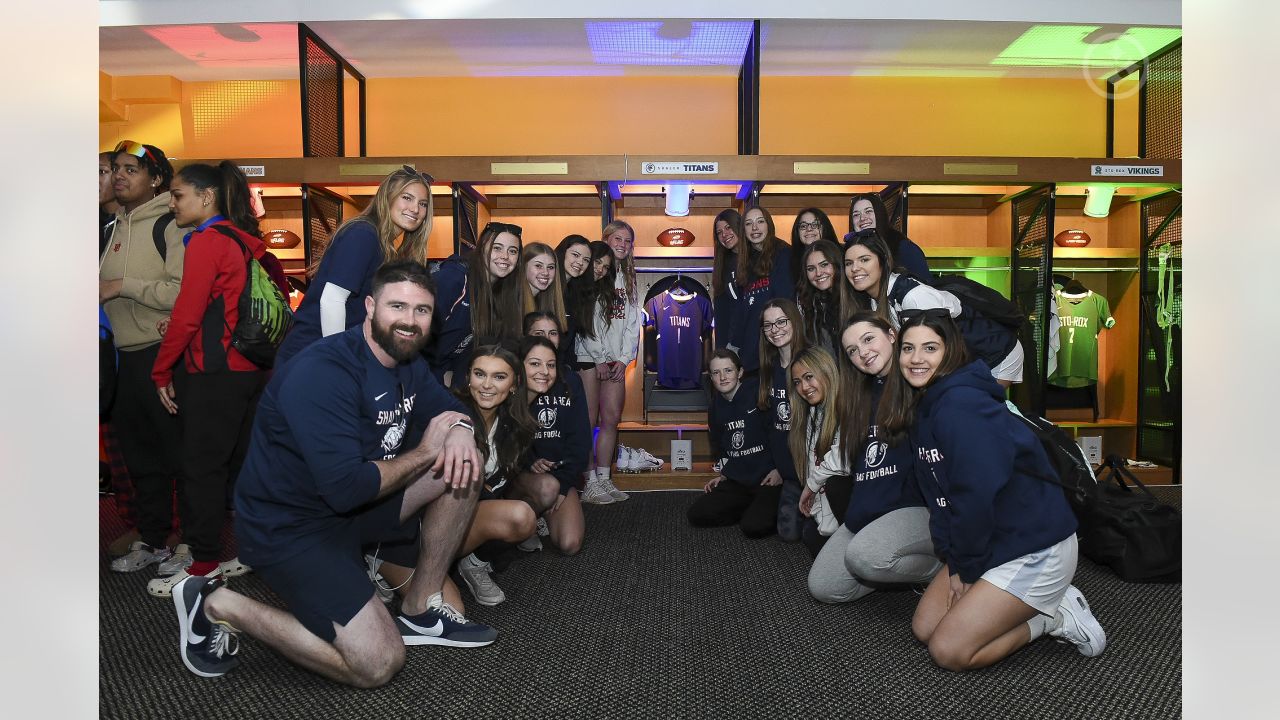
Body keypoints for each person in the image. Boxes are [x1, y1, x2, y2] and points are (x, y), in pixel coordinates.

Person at [172, 261, 496, 687]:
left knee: (465, 462)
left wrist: (458, 430)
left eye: (422, 311)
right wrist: (426, 451)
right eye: (397, 306)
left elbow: (452, 409)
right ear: (369, 306)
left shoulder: (408, 362)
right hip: (292, 528)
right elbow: (347, 489)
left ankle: (419, 609)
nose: (410, 321)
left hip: (354, 509)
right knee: (378, 662)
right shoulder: (324, 373)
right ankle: (218, 602)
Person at [881, 310, 1106, 671]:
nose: (916, 358)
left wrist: (967, 571)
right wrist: (953, 563)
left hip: (1034, 545)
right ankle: (1021, 603)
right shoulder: (925, 406)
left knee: (950, 651)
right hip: (991, 539)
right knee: (924, 628)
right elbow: (939, 500)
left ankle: (1054, 617)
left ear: (951, 351)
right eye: (908, 348)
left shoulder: (962, 405)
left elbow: (974, 497)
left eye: (930, 348)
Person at [147, 161, 267, 597]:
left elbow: (187, 314)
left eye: (178, 194)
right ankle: (251, 550)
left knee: (200, 470)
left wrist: (162, 370)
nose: (172, 203)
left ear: (206, 197)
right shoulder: (242, 239)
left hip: (212, 374)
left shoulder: (207, 242)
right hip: (248, 371)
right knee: (239, 466)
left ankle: (202, 566)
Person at [803, 315, 940, 602]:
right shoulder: (859, 395)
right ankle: (892, 565)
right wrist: (814, 484)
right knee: (825, 587)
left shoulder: (916, 381)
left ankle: (939, 569)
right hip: (871, 506)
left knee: (865, 556)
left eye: (868, 339)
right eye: (852, 350)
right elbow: (850, 457)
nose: (862, 352)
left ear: (892, 335)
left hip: (916, 507)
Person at [100, 140, 187, 574]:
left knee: (179, 455)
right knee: (139, 459)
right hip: (121, 358)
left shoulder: (169, 224)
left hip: (161, 355)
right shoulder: (112, 226)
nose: (119, 175)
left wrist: (122, 286)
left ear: (155, 178)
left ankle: (193, 544)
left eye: (131, 169)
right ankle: (153, 539)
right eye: (116, 168)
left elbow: (181, 291)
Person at [275, 165, 434, 367]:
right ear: (387, 197)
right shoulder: (363, 234)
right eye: (407, 198)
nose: (415, 209)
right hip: (312, 356)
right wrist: (341, 362)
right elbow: (332, 300)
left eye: (423, 203)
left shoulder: (384, 246)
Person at [447, 344, 556, 607]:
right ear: (468, 378)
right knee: (451, 609)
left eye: (499, 377)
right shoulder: (451, 414)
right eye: (479, 374)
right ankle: (404, 564)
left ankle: (474, 563)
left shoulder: (516, 425)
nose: (487, 385)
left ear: (514, 385)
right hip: (437, 520)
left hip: (474, 513)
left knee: (522, 516)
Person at [844, 233, 1023, 387]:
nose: (855, 268)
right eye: (848, 263)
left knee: (976, 411)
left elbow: (940, 350)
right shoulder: (875, 300)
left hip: (996, 353)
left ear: (883, 261)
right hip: (963, 360)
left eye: (864, 260)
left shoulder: (913, 296)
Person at [576, 223, 640, 504]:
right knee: (588, 420)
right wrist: (600, 357)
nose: (623, 244)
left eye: (628, 240)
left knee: (611, 418)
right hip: (589, 358)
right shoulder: (593, 272)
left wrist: (624, 359)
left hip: (615, 360)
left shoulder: (628, 278)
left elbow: (632, 323)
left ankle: (604, 478)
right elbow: (586, 321)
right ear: (605, 240)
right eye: (618, 238)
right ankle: (588, 481)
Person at [688, 350, 780, 537]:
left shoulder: (757, 392)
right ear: (711, 377)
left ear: (740, 373)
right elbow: (720, 445)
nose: (722, 377)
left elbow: (778, 434)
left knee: (754, 528)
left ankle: (760, 511)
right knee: (696, 514)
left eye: (728, 370)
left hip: (767, 479)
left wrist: (780, 470)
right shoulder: (715, 407)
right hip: (739, 482)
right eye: (716, 373)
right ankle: (750, 509)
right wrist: (724, 474)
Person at [427, 221, 523, 386]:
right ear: (481, 249)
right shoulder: (455, 279)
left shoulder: (501, 295)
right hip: (415, 375)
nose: (505, 256)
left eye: (512, 251)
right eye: (497, 248)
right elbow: (418, 339)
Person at [519, 331, 590, 555]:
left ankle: (539, 514)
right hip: (517, 479)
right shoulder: (509, 397)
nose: (544, 371)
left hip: (557, 477)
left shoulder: (570, 382)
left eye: (550, 365)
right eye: (535, 363)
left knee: (570, 543)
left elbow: (580, 440)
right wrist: (529, 462)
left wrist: (565, 482)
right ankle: (525, 522)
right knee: (546, 487)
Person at [756, 299, 807, 542]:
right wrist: (775, 466)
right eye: (768, 325)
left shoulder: (810, 364)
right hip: (786, 471)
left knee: (812, 534)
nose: (775, 329)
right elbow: (770, 425)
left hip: (811, 470)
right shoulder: (769, 368)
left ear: (794, 322)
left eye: (781, 322)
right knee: (788, 534)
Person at [734, 207, 794, 374]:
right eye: (748, 223)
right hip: (751, 355)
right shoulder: (744, 262)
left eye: (760, 221)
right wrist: (735, 348)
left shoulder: (784, 254)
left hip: (777, 350)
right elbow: (743, 311)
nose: (754, 228)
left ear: (769, 225)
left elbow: (786, 305)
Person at [796, 239, 860, 352]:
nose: (818, 273)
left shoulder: (856, 294)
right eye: (811, 269)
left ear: (837, 264)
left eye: (824, 265)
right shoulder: (810, 303)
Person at [848, 192, 930, 279]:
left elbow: (925, 285)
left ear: (880, 214)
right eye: (856, 215)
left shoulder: (903, 247)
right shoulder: (851, 251)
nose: (862, 218)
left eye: (868, 211)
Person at [555, 234, 594, 366]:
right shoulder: (546, 286)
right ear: (562, 253)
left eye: (586, 260)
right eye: (575, 255)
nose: (580, 262)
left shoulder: (575, 293)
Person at [711, 209, 746, 352]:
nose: (724, 234)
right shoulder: (723, 266)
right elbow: (723, 313)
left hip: (755, 342)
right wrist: (722, 349)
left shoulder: (755, 261)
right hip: (732, 346)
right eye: (719, 232)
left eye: (728, 227)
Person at [789, 207, 839, 284]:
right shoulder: (790, 260)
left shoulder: (840, 254)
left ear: (825, 228)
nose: (809, 229)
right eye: (803, 226)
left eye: (815, 224)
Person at [520, 242, 567, 323]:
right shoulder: (513, 302)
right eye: (538, 266)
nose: (546, 272)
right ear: (523, 266)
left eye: (550, 267)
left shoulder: (547, 301)